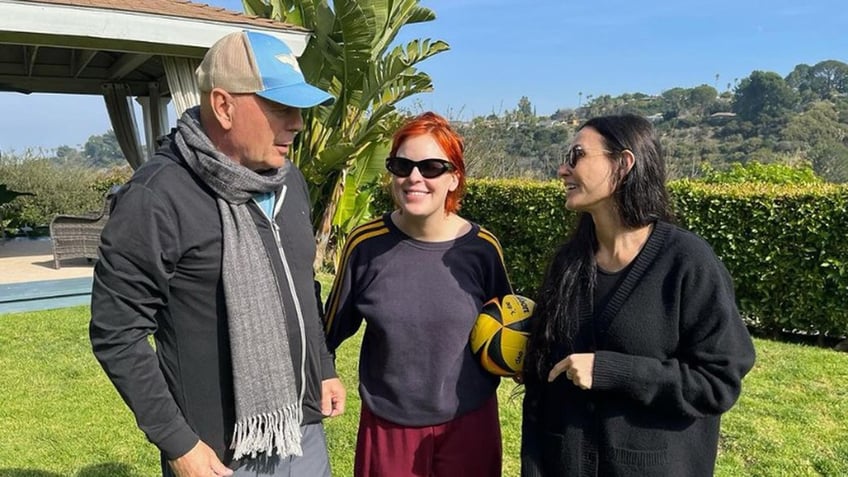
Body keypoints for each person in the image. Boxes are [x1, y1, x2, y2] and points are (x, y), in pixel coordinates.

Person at [90, 30, 345, 477]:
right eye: (280, 107)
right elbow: (117, 331)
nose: (298, 123)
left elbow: (303, 287)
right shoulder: (157, 197)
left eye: (299, 109)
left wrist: (322, 367)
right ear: (224, 106)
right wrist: (178, 442)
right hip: (219, 454)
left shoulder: (288, 181)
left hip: (302, 429)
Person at [520, 114, 756, 477]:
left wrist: (613, 370)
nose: (562, 169)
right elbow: (541, 386)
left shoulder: (687, 262)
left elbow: (718, 381)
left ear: (624, 164)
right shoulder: (568, 263)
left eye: (577, 155)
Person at [323, 112, 512, 477]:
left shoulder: (483, 249)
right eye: (402, 165)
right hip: (388, 425)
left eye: (431, 168)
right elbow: (326, 332)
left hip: (469, 423)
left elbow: (507, 325)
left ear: (454, 177)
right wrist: (323, 373)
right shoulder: (365, 246)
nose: (415, 178)